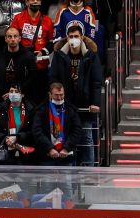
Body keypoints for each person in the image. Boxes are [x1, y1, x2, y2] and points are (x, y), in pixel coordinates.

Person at [48, 22, 103, 163]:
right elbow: (53, 78)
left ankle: (89, 170)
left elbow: (96, 82)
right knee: (66, 139)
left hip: (85, 104)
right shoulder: (59, 56)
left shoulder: (91, 56)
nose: (74, 39)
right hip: (65, 105)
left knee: (86, 138)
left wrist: (95, 103)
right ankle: (69, 169)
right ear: (67, 38)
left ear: (82, 37)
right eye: (71, 36)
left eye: (76, 36)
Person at [9, 0, 56, 98]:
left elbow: (51, 43)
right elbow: (12, 38)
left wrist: (42, 52)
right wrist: (24, 54)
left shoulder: (47, 20)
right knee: (24, 98)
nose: (35, 1)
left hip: (41, 67)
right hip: (23, 67)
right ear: (26, 2)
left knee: (41, 98)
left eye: (38, 0)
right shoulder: (18, 18)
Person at [32, 81, 82, 163]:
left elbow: (77, 130)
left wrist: (66, 148)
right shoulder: (41, 109)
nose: (59, 98)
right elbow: (37, 131)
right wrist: (49, 148)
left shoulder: (71, 109)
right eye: (56, 95)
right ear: (50, 94)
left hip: (67, 155)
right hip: (47, 155)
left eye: (61, 95)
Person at [0, 25, 36, 104]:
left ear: (19, 39)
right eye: (10, 37)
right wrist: (3, 92)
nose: (13, 39)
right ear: (5, 39)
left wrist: (18, 91)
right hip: (2, 96)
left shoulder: (28, 56)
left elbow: (32, 76)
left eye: (15, 36)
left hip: (23, 95)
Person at [0, 81, 35, 163]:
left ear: (22, 95)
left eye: (16, 91)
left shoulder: (30, 110)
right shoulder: (2, 108)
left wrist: (17, 137)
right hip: (5, 151)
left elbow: (33, 131)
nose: (13, 94)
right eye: (11, 91)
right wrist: (5, 139)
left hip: (25, 152)